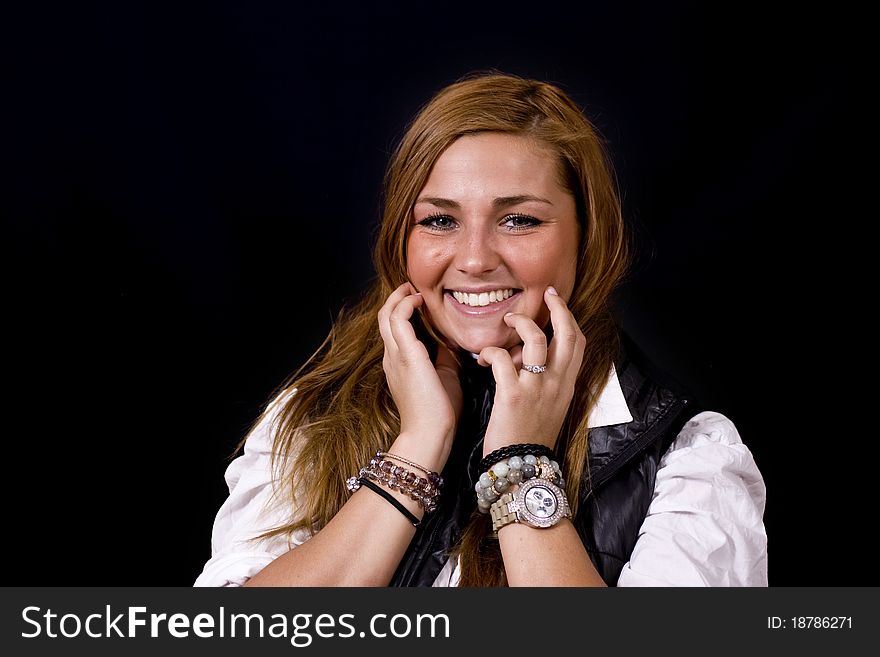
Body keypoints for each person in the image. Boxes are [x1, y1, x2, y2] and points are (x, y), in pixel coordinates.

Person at [194, 72, 767, 587]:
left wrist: (520, 463)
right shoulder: (313, 416)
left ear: (589, 238)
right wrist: (416, 449)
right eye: (440, 220)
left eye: (519, 220)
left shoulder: (689, 455)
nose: (472, 259)